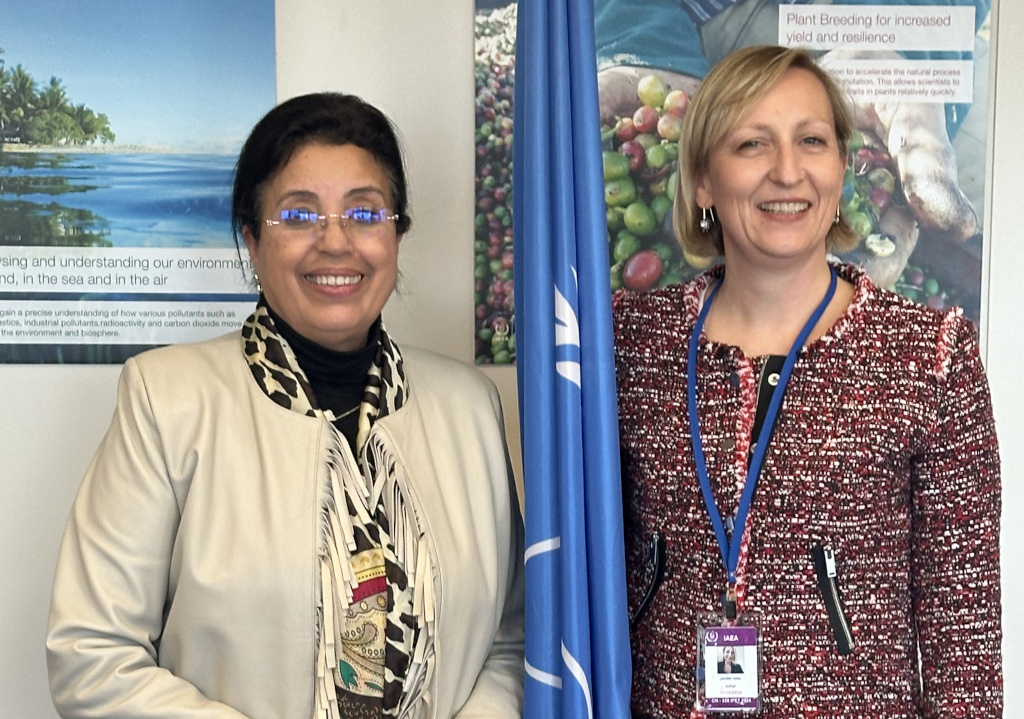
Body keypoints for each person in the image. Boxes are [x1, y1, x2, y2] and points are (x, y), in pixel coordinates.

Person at [46, 93, 525, 719]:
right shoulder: (166, 400)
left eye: (365, 213)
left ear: (397, 234)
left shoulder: (470, 408)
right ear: (251, 237)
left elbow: (511, 640)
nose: (336, 242)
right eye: (299, 215)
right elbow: (93, 655)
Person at [613, 45, 1000, 717]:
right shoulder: (631, 344)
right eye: (751, 143)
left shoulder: (931, 355)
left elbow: (962, 639)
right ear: (702, 180)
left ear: (843, 166)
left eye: (812, 141)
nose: (787, 171)